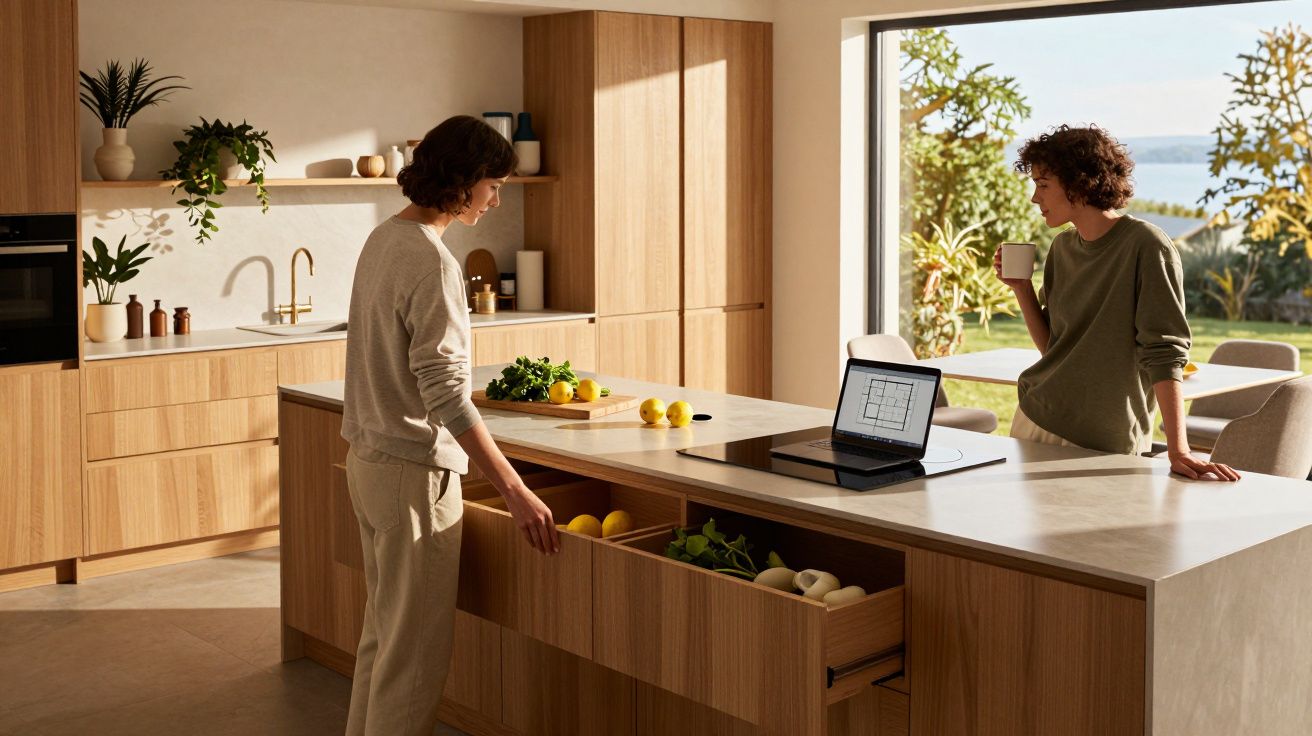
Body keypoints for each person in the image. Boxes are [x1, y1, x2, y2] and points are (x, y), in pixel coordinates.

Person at [340, 115, 561, 736]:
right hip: (413, 477)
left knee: (382, 642)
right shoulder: (432, 262)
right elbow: (444, 394)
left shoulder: (383, 238)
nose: (496, 200)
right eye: (494, 185)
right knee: (412, 663)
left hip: (368, 462)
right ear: (464, 183)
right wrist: (515, 489)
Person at [997, 124, 1239, 481]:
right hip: (1038, 417)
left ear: (1080, 184)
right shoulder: (1062, 249)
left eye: (1043, 185)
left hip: (1107, 437)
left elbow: (1165, 352)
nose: (1035, 197)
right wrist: (1021, 288)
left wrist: (1178, 449)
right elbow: (1054, 347)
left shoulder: (1146, 245)